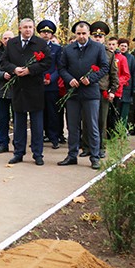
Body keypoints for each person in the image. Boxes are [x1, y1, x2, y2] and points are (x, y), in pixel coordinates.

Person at [0, 18, 51, 165]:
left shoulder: (40, 43)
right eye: (25, 27)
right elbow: (3, 62)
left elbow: (47, 62)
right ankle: (18, 152)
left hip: (35, 88)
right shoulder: (12, 43)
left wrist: (30, 70)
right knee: (19, 123)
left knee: (37, 124)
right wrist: (14, 69)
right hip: (18, 88)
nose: (28, 30)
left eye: (30, 27)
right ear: (19, 28)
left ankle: (38, 154)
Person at [57, 21, 109, 170]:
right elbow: (62, 67)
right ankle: (72, 155)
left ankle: (94, 157)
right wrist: (69, 79)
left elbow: (105, 67)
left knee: (92, 126)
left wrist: (91, 78)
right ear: (75, 34)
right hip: (73, 93)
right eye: (78, 34)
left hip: (90, 93)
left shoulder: (98, 48)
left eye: (84, 33)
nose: (81, 36)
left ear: (88, 33)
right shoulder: (67, 49)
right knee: (72, 127)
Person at [89, 21, 120, 157]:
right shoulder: (86, 51)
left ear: (104, 38)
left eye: (100, 36)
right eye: (95, 36)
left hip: (103, 91)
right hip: (88, 90)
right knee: (88, 120)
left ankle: (101, 147)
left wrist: (112, 91)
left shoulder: (109, 54)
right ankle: (87, 147)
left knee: (102, 121)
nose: (97, 38)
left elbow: (114, 75)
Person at [36, 19, 63, 149]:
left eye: (48, 32)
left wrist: (51, 79)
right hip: (36, 84)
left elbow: (59, 67)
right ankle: (38, 138)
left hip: (51, 86)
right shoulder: (34, 47)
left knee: (52, 113)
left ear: (52, 35)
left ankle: (54, 137)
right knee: (38, 113)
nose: (46, 34)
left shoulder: (57, 49)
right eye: (43, 32)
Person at [117, 38, 135, 129]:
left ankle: (123, 129)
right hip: (117, 87)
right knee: (116, 110)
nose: (123, 48)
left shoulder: (131, 58)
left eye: (125, 46)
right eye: (122, 45)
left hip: (127, 88)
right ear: (118, 46)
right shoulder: (115, 56)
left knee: (125, 111)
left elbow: (134, 72)